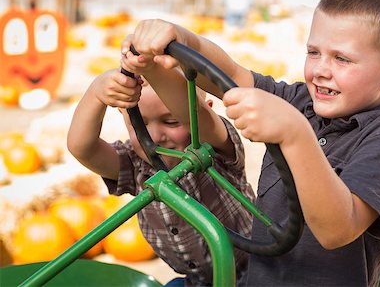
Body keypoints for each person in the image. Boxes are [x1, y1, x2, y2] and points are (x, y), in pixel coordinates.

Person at [120, 0, 380, 286]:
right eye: (313, 52)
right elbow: (233, 76)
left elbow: (338, 230)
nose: (319, 70)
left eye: (341, 59)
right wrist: (180, 43)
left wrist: (295, 135)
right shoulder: (301, 101)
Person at [67, 69, 255, 286]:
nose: (155, 137)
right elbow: (82, 148)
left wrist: (151, 66)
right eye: (141, 124)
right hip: (200, 281)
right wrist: (96, 93)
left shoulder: (214, 150)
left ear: (206, 112)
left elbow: (193, 111)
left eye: (172, 121)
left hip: (259, 272)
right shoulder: (135, 165)